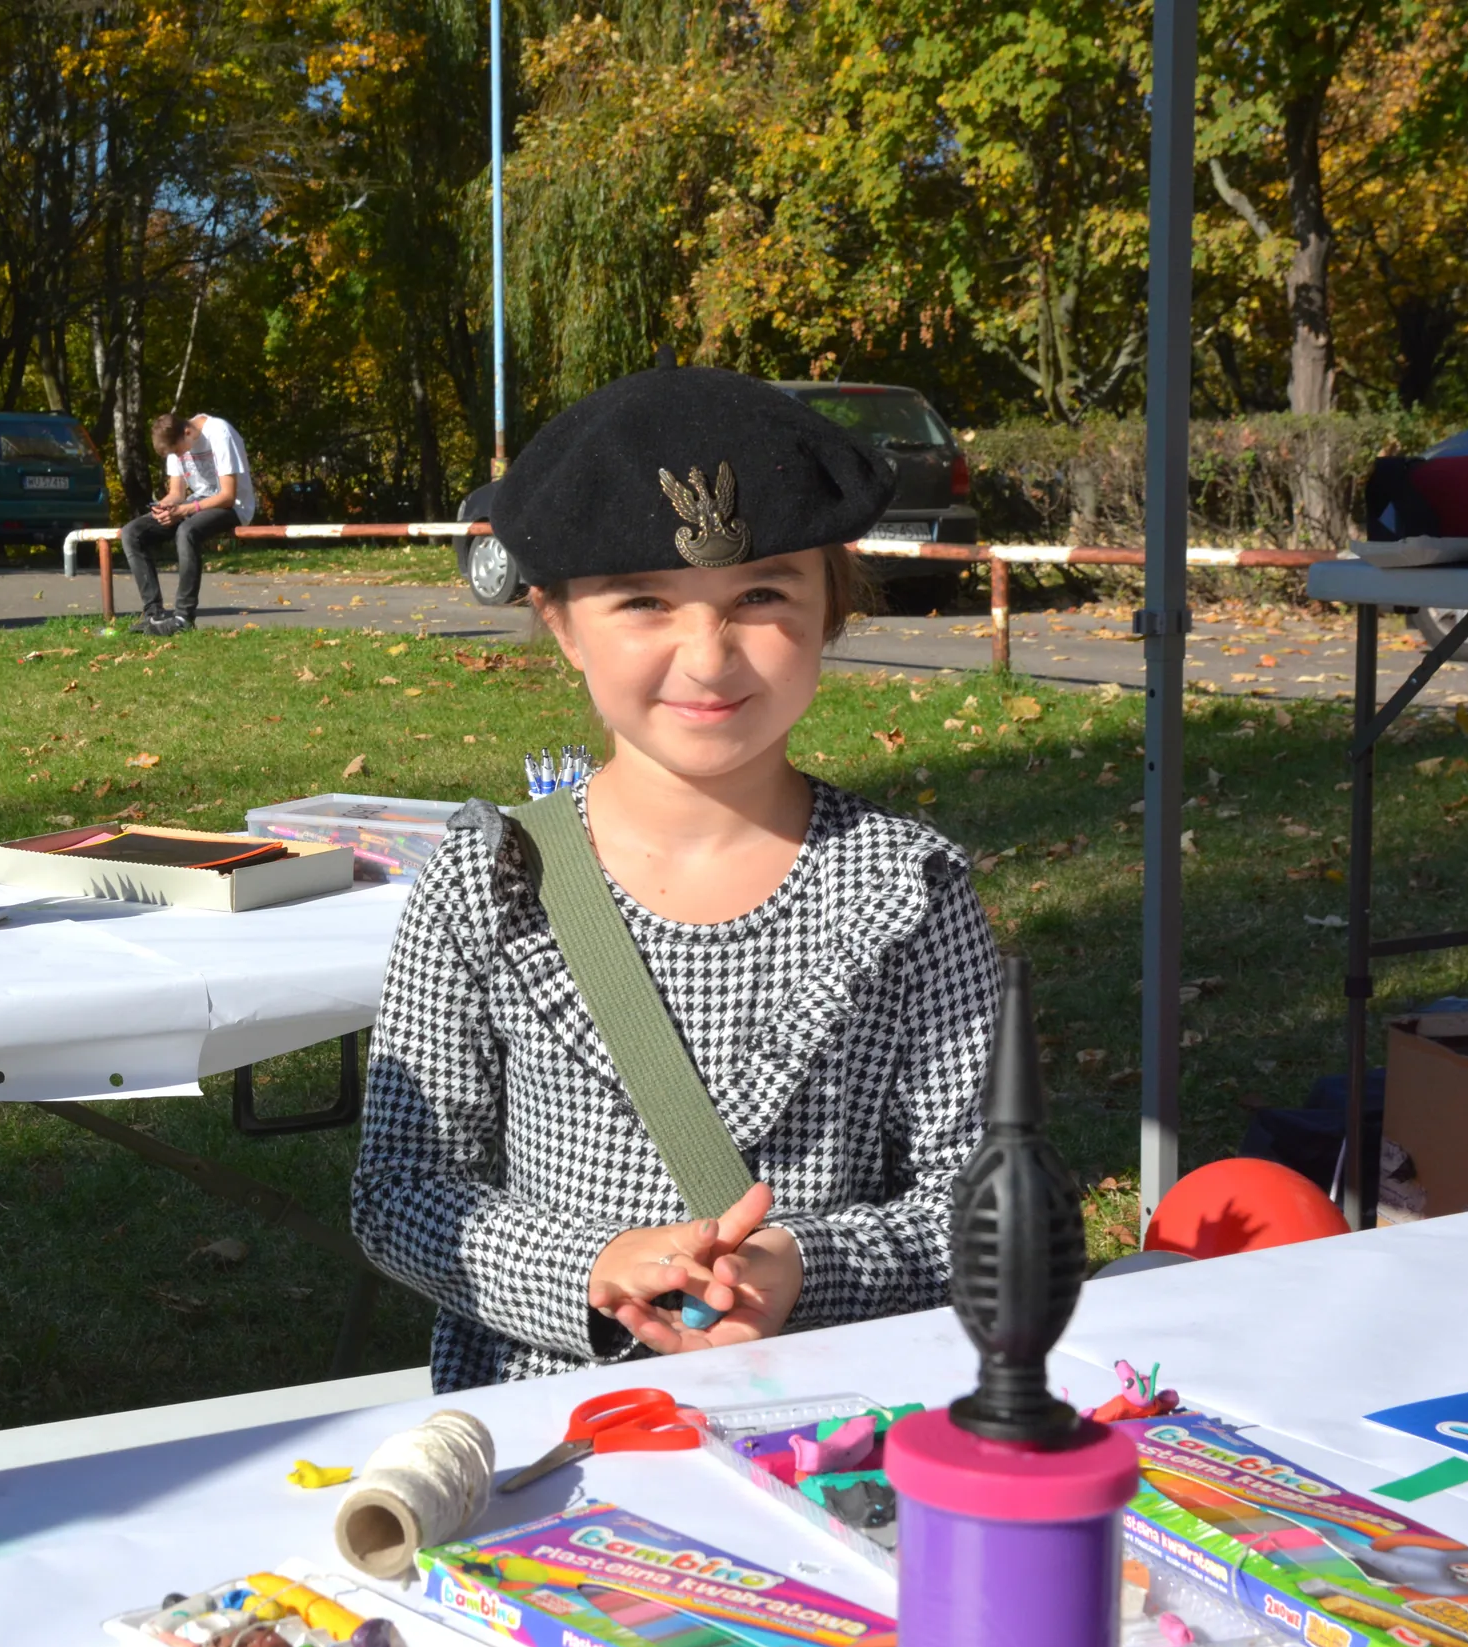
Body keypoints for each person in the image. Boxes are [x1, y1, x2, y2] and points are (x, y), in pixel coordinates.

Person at [350, 365, 999, 1393]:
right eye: (645, 602)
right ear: (560, 623)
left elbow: (977, 1205)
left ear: (832, 606)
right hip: (552, 1438)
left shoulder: (909, 892)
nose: (708, 657)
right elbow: (401, 1191)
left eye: (760, 596)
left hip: (830, 1428)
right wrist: (588, 1272)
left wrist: (805, 1269)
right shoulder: (487, 886)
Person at [121, 410, 258, 636]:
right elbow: (177, 492)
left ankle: (183, 617)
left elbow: (228, 495)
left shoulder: (219, 433)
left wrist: (185, 509)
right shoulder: (177, 440)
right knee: (132, 533)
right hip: (196, 505)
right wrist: (165, 507)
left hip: (233, 507)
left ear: (187, 432)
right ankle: (153, 615)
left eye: (177, 451)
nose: (178, 455)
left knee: (187, 531)